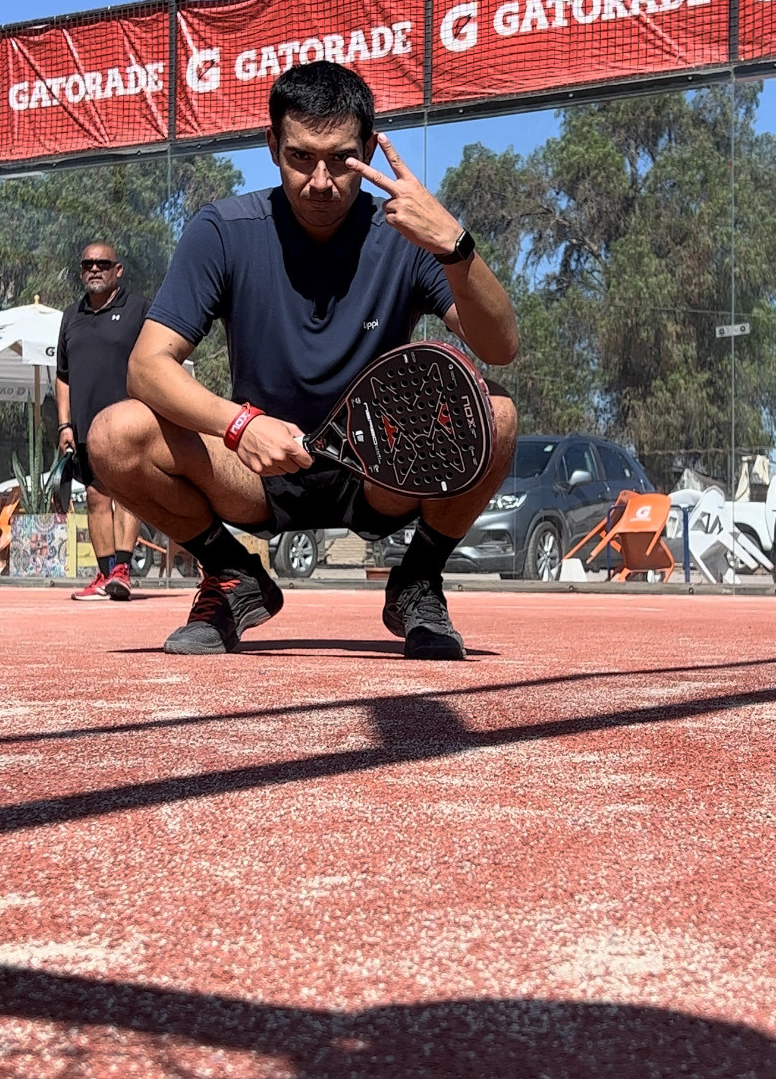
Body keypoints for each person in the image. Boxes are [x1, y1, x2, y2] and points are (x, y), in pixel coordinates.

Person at [88, 62, 519, 659]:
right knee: (113, 435)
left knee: (496, 416)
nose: (321, 181)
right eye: (300, 157)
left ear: (368, 150)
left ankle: (419, 581)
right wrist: (240, 424)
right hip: (258, 470)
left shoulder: (406, 236)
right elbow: (146, 366)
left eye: (342, 159)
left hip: (378, 471)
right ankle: (232, 577)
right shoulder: (223, 230)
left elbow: (501, 348)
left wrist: (456, 245)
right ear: (272, 146)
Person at [55, 241, 149, 600]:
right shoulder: (71, 316)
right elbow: (62, 375)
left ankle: (122, 571)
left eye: (103, 263)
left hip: (128, 425)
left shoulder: (139, 310)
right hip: (84, 429)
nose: (94, 269)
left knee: (126, 494)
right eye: (87, 264)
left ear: (117, 270)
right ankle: (105, 574)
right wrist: (64, 424)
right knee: (96, 496)